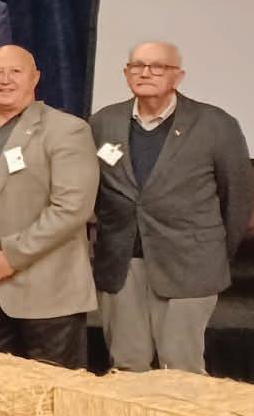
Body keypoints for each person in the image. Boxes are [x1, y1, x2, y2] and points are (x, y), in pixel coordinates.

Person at [92, 42, 253, 373]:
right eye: (137, 66)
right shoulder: (103, 122)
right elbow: (93, 189)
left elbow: (237, 198)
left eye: (157, 66)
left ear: (178, 76)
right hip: (122, 264)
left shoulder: (216, 124)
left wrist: (213, 253)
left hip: (189, 266)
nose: (145, 73)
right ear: (126, 73)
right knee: (126, 366)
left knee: (181, 369)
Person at [0, 46, 98, 369]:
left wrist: (11, 256)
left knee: (54, 393)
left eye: (16, 71)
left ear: (35, 77)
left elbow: (72, 207)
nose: (5, 80)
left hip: (49, 297)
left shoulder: (68, 129)